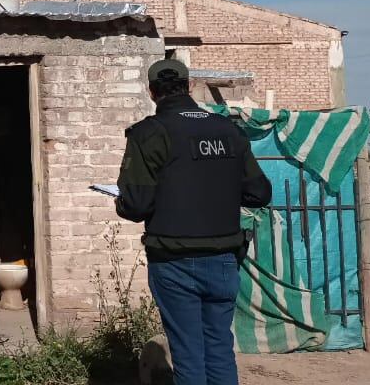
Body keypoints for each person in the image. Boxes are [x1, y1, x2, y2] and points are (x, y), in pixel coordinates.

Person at [116, 59, 271, 385]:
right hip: (224, 260)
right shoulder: (229, 130)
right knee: (219, 349)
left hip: (173, 262)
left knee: (188, 355)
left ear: (151, 92)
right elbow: (259, 192)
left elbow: (136, 205)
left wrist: (121, 200)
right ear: (189, 87)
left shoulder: (148, 134)